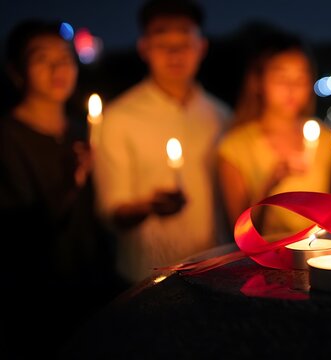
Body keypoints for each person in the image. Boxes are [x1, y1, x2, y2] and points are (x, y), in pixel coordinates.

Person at [0, 19, 121, 357]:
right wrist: (68, 185)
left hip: (94, 291)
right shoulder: (8, 138)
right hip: (37, 303)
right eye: (41, 58)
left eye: (65, 57)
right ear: (16, 71)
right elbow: (17, 234)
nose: (58, 67)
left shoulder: (79, 133)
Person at [93, 0, 231, 285]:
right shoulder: (120, 117)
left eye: (184, 43)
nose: (174, 54)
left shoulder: (222, 117)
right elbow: (111, 212)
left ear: (201, 47)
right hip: (146, 277)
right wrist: (148, 207)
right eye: (162, 43)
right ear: (144, 48)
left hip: (216, 269)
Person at [217, 28, 331, 237]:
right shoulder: (235, 147)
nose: (292, 88)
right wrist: (270, 184)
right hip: (268, 262)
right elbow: (242, 234)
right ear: (258, 82)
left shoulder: (325, 138)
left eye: (300, 79)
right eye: (281, 78)